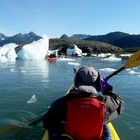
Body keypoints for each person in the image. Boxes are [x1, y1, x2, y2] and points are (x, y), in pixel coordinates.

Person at [42, 66, 124, 140]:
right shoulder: (106, 102)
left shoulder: (60, 103)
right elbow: (120, 103)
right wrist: (107, 90)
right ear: (98, 84)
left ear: (76, 82)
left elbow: (47, 123)